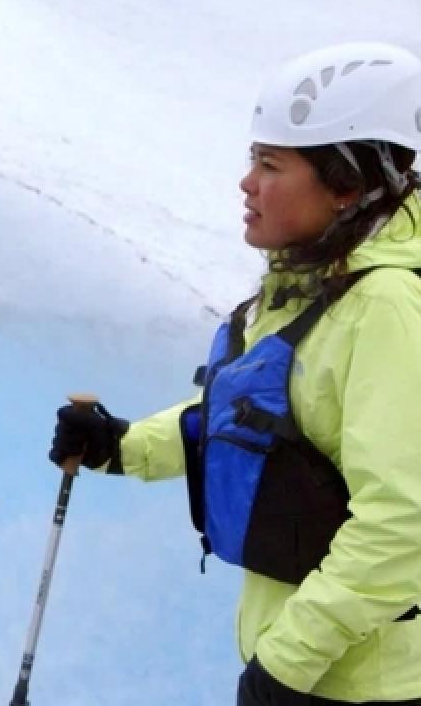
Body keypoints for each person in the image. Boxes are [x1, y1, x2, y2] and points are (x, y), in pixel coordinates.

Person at [49, 42, 421, 705]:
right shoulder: (313, 286)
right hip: (313, 671)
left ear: (345, 186)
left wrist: (287, 665)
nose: (247, 184)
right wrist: (122, 445)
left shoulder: (386, 308)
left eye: (270, 164)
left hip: (365, 687)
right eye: (253, 160)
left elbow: (402, 522)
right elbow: (249, 415)